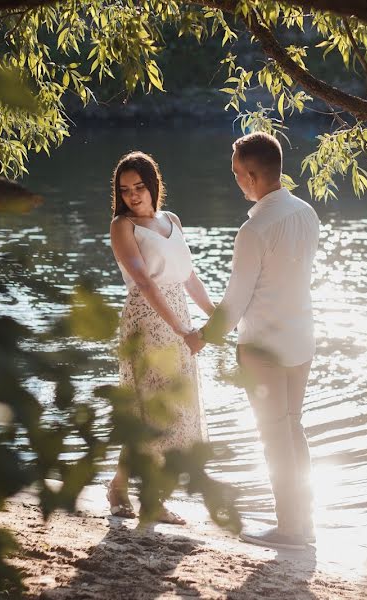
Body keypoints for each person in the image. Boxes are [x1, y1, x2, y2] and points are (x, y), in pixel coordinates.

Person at [185, 132, 321, 550]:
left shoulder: (254, 229)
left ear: (252, 175)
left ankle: (290, 529)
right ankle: (304, 522)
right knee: (292, 430)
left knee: (274, 437)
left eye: (236, 175)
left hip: (264, 348)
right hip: (301, 339)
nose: (235, 182)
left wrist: (201, 338)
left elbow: (236, 301)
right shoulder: (306, 213)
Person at [107, 151, 215, 524]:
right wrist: (183, 330)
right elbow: (143, 281)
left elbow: (188, 276)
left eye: (139, 187)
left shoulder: (172, 220)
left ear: (153, 185)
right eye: (125, 190)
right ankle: (135, 494)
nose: (133, 196)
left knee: (172, 410)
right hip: (146, 319)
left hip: (178, 310)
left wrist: (214, 315)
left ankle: (131, 490)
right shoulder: (122, 226)